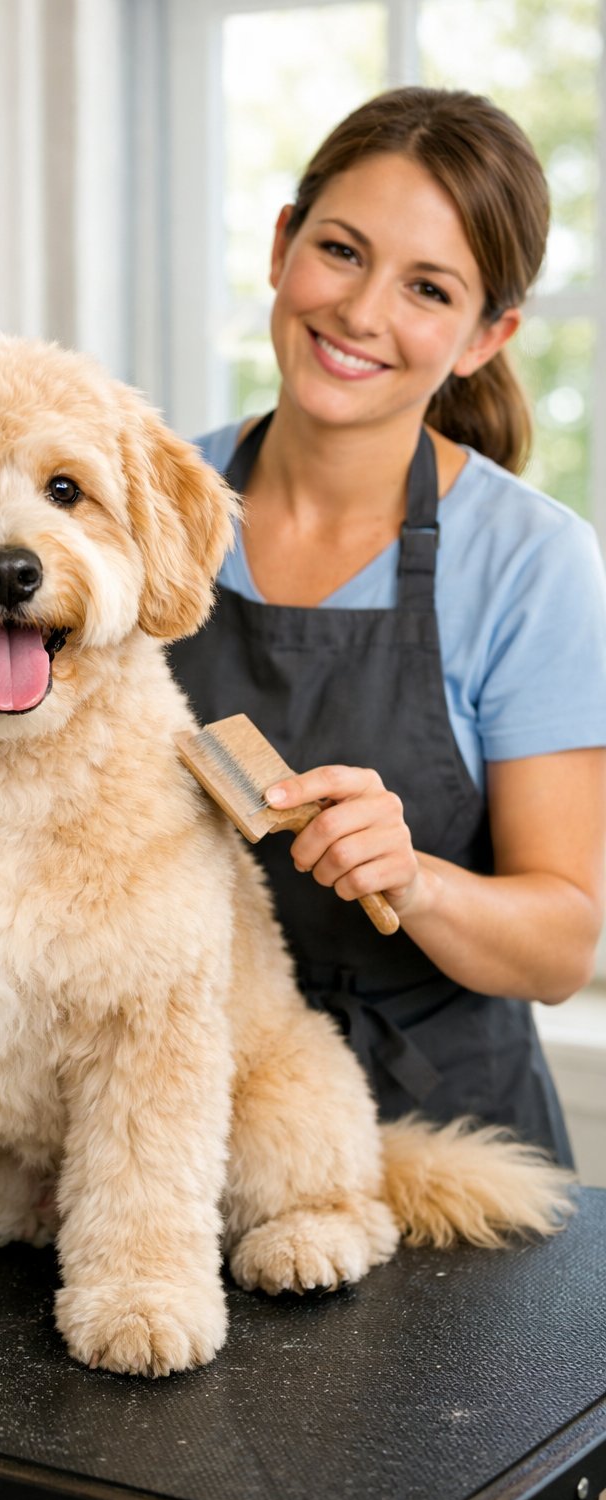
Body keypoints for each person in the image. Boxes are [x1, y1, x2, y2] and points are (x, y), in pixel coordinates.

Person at [168, 86, 606, 1164]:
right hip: (183, 1118)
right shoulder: (151, 505)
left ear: (484, 335)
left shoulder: (528, 563)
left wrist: (411, 880)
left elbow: (561, 944)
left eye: (426, 287)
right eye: (341, 250)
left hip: (448, 1143)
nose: (361, 313)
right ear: (281, 247)